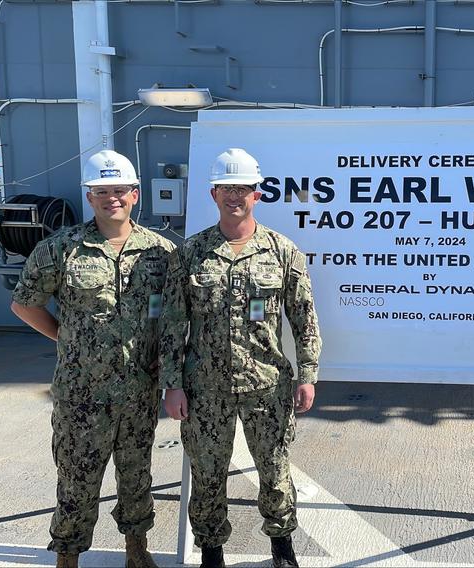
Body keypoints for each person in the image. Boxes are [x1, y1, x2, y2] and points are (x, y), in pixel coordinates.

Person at [158, 148, 322, 568]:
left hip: (267, 384)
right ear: (213, 193)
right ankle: (212, 553)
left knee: (274, 470)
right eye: (227, 188)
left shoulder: (283, 251)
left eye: (244, 188)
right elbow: (174, 323)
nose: (236, 196)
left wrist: (308, 375)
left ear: (258, 194)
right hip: (205, 389)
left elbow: (304, 318)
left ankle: (282, 550)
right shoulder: (191, 254)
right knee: (208, 476)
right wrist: (172, 384)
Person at [10, 149, 173, 568]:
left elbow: (174, 314)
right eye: (101, 191)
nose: (111, 198)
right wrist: (62, 335)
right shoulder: (61, 248)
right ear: (89, 195)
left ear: (135, 194)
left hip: (139, 391)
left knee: (137, 476)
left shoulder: (161, 252)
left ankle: (137, 550)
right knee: (76, 479)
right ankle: (68, 555)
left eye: (119, 190)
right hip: (81, 395)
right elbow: (25, 303)